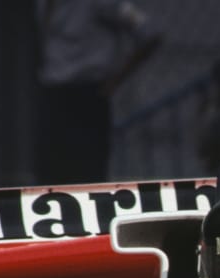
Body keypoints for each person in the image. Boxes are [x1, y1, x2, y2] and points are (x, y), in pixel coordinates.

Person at [34, 0, 161, 185]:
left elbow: (149, 32)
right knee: (50, 174)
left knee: (88, 174)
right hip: (53, 94)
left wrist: (117, 78)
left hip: (86, 95)